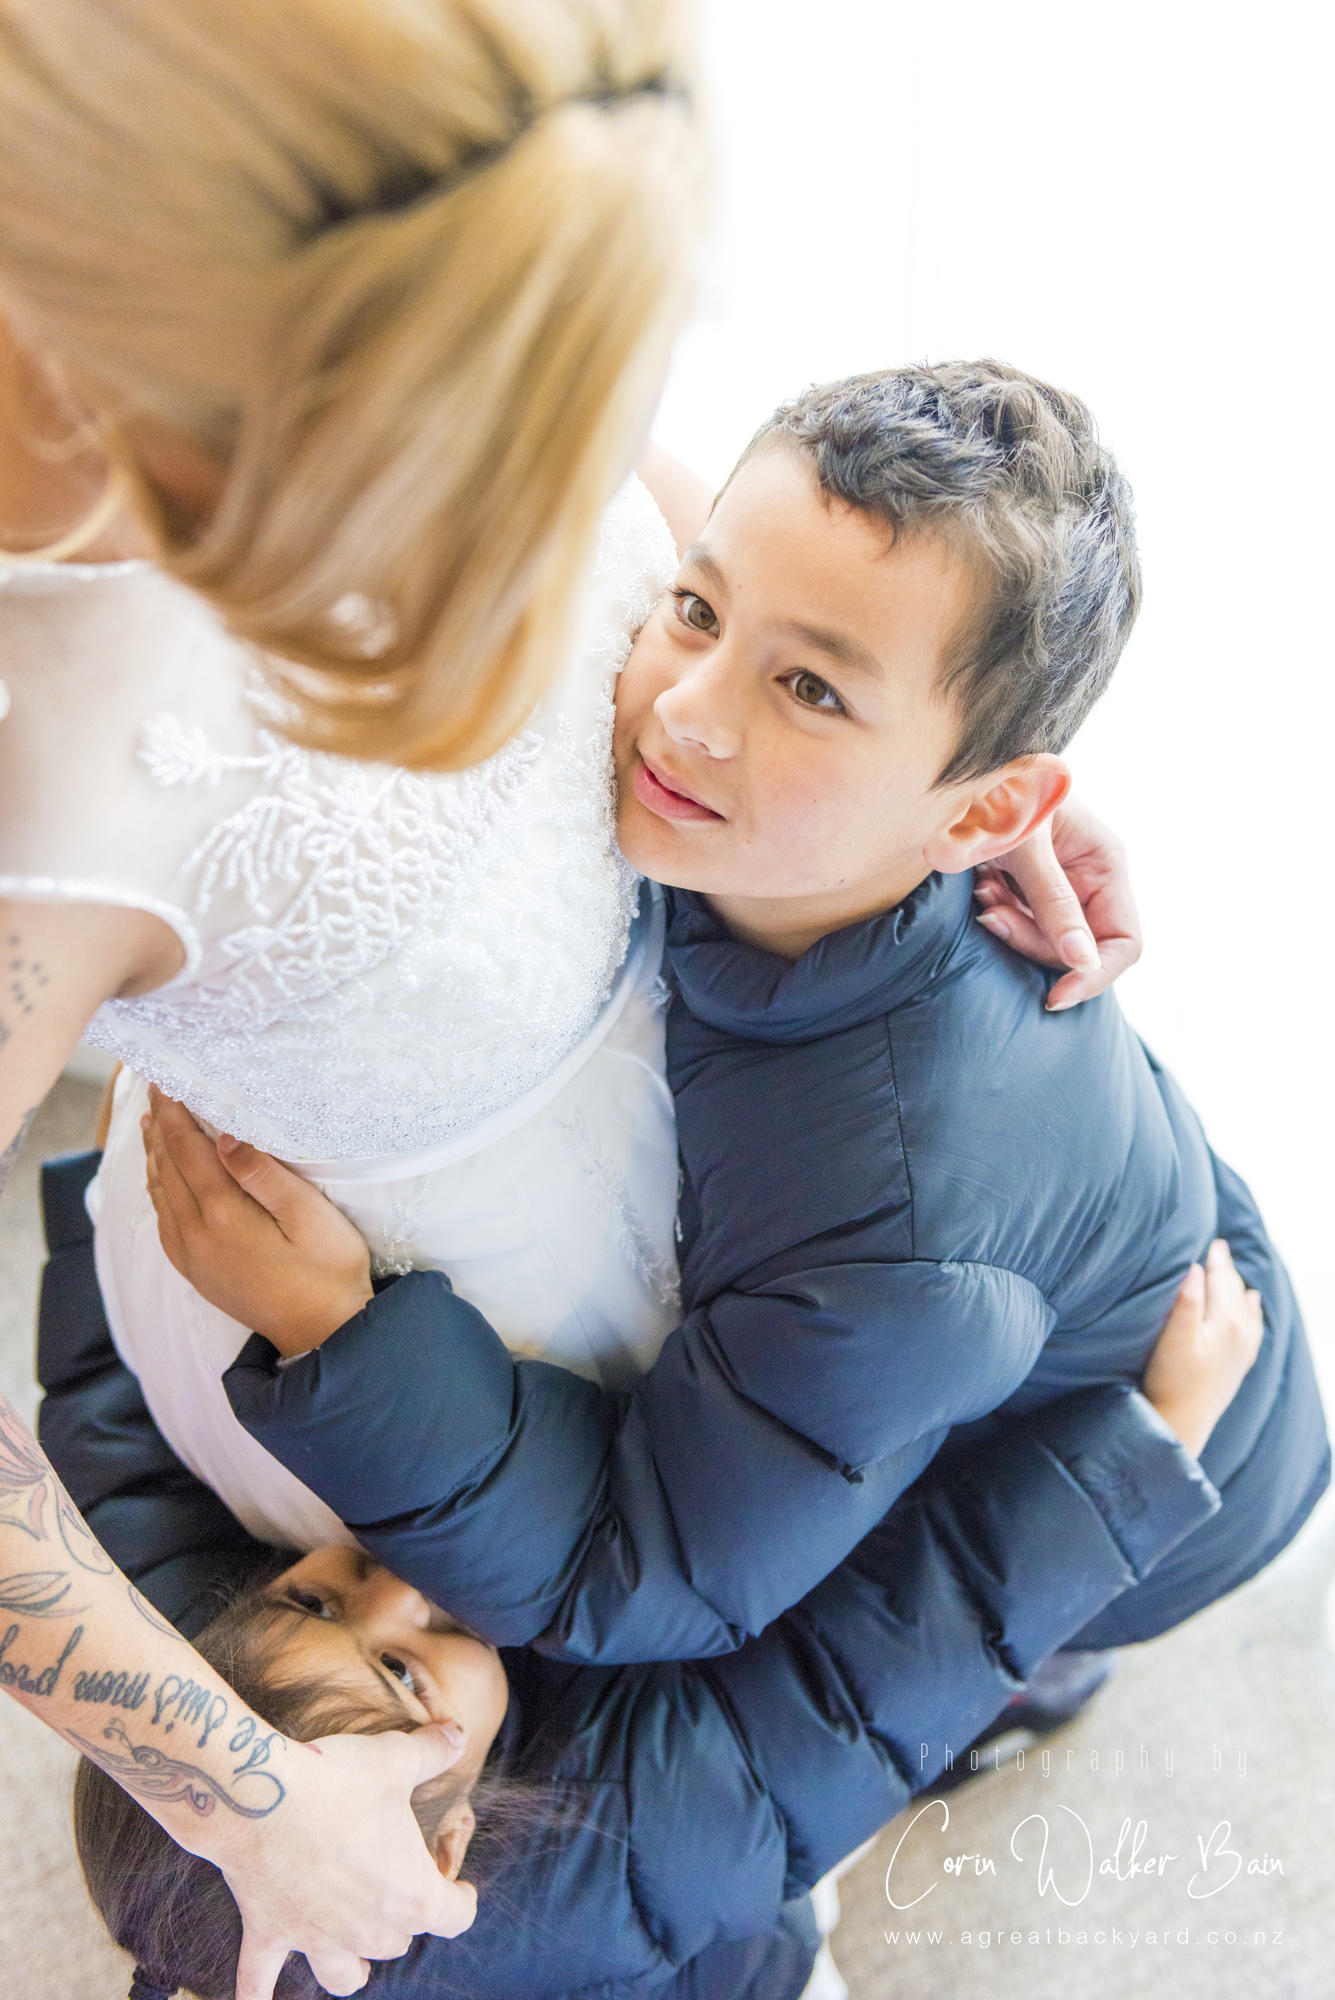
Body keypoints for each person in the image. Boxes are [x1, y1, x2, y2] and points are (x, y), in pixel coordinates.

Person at [140, 364, 1328, 1676]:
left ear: (986, 812)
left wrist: (340, 1338)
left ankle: (1041, 1693)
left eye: (810, 690)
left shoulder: (895, 1235)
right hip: (1092, 1223)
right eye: (695, 609)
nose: (685, 712)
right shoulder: (804, 840)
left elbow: (639, 1574)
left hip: (1187, 1461)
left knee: (905, 1661)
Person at [0, 0, 701, 1988]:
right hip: (383, 1296)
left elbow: (652, 519)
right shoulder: (44, 762)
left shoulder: (422, 146)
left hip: (692, 1068)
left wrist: (882, 782)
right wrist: (226, 1778)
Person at [37, 1146, 1259, 1999]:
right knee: (899, 1692)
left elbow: (116, 1461)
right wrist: (1145, 1448)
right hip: (733, 1960)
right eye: (406, 1667)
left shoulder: (199, 1686)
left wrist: (98, 1198)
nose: (390, 1574)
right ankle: (1032, 1699)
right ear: (448, 1845)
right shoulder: (633, 1848)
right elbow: (872, 1669)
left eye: (311, 1597)